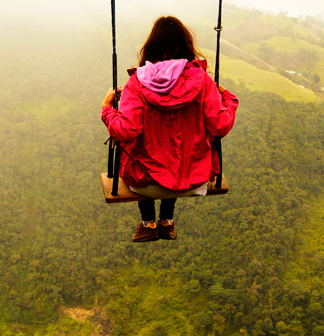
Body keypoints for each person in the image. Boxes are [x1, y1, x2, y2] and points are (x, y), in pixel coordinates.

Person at [101, 16, 239, 243]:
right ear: (186, 45)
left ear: (151, 46)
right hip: (193, 182)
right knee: (179, 152)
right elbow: (221, 125)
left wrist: (107, 108)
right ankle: (166, 220)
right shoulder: (202, 81)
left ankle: (148, 223)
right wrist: (227, 97)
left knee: (139, 148)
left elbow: (126, 131)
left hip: (145, 186)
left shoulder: (137, 83)